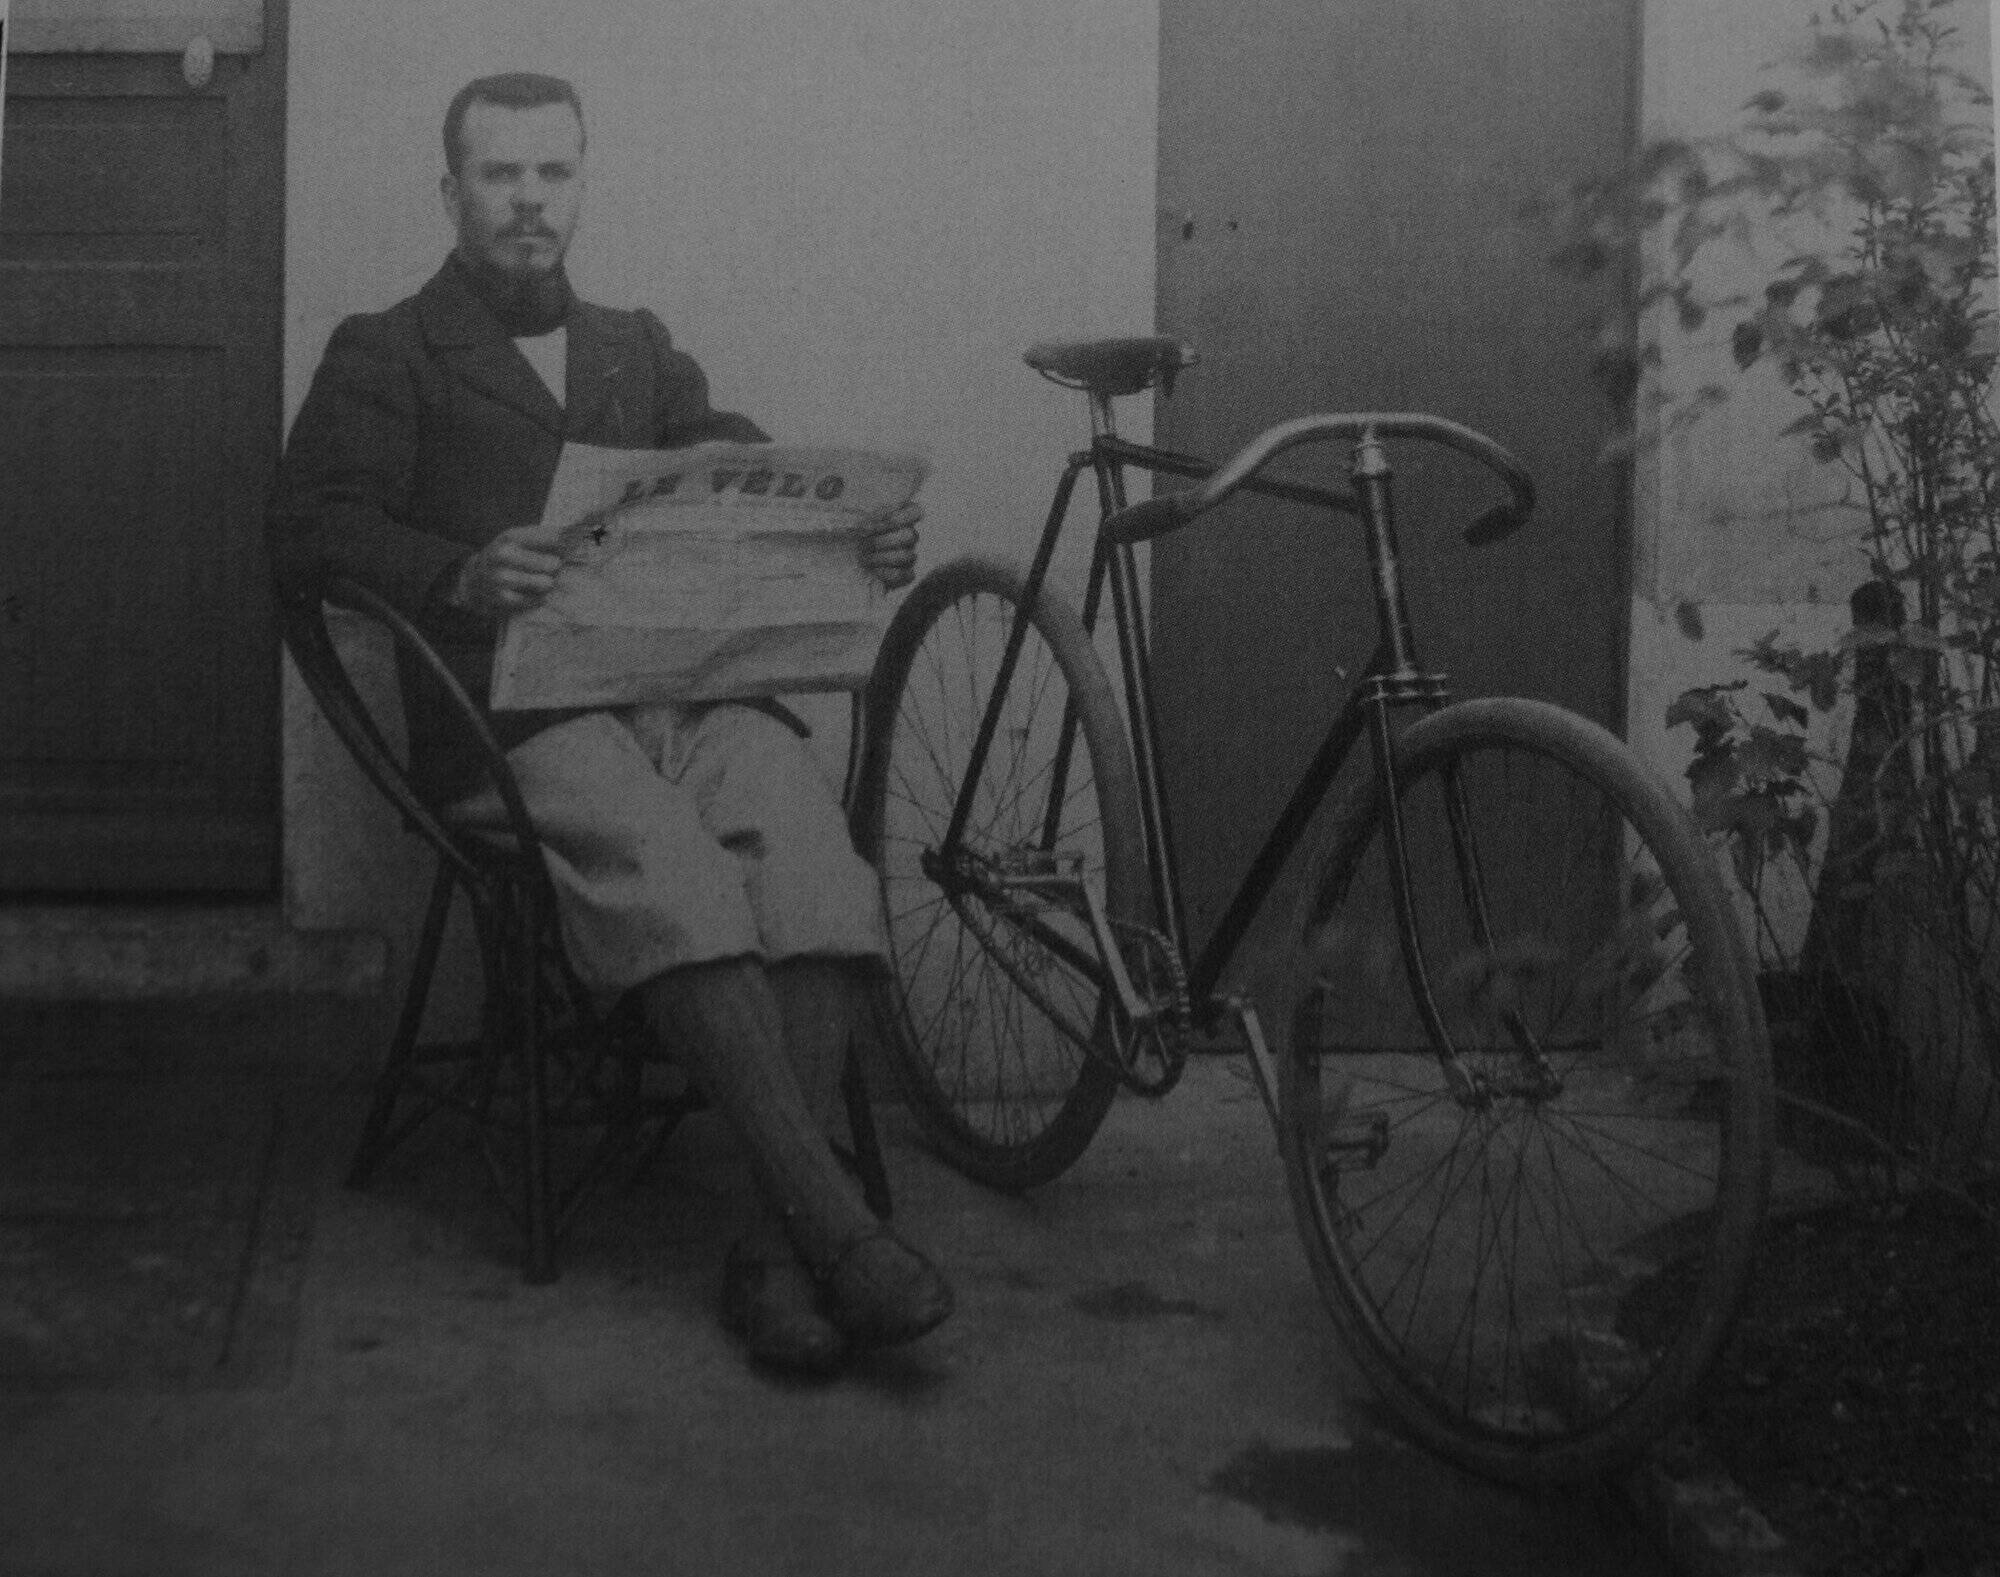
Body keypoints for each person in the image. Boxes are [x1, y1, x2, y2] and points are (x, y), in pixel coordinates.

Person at [267, 71, 952, 1377]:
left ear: (581, 185)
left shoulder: (636, 347)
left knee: (806, 850)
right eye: (500, 174)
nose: (529, 200)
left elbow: (730, 461)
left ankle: (772, 1247)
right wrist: (459, 569)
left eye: (553, 173)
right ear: (452, 192)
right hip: (516, 721)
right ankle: (833, 1232)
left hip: (681, 690)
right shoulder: (388, 350)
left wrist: (850, 529)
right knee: (668, 867)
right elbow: (306, 531)